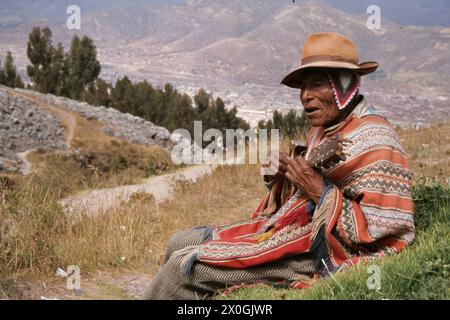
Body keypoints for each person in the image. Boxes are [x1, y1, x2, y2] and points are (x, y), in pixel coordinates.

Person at [142, 32, 415, 300]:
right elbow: (295, 204)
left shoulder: (378, 142)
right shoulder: (324, 131)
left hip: (318, 253)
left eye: (317, 84)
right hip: (291, 234)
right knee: (179, 241)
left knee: (181, 271)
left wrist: (321, 192)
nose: (306, 96)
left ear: (344, 85)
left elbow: (385, 232)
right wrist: (280, 177)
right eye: (303, 88)